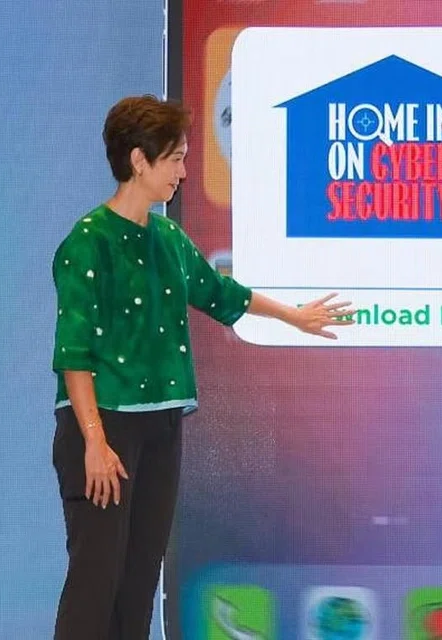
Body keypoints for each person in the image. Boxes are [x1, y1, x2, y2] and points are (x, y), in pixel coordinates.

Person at [50, 94, 354, 640]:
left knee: (139, 582)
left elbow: (221, 293)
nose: (184, 173)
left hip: (161, 426)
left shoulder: (168, 238)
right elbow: (74, 352)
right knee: (96, 580)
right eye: (175, 159)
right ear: (139, 160)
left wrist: (295, 315)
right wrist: (94, 441)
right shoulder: (88, 243)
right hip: (104, 427)